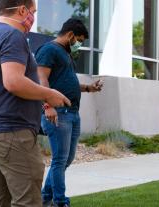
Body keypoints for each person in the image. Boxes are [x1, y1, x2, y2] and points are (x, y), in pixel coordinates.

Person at [0, 0, 71, 206]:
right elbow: (13, 82)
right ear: (22, 10)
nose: (33, 17)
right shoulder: (13, 36)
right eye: (33, 11)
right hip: (14, 135)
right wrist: (49, 94)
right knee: (28, 202)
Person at [36, 18, 103, 207]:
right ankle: (60, 201)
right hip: (58, 113)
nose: (79, 44)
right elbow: (40, 78)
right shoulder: (49, 49)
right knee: (59, 160)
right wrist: (47, 105)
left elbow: (68, 82)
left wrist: (89, 88)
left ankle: (44, 199)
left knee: (67, 159)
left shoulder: (65, 54)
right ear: (70, 35)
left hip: (72, 113)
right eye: (79, 40)